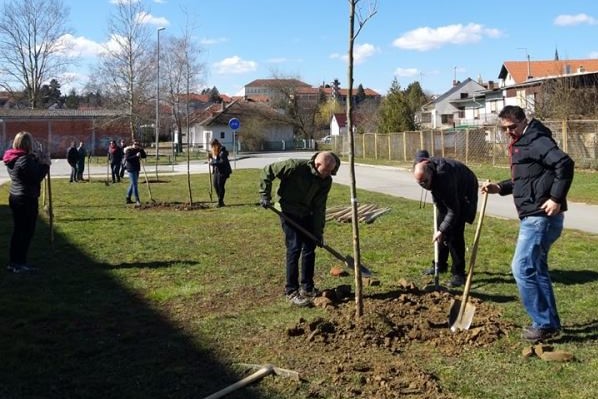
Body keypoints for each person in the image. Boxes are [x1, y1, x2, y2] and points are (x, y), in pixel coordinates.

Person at [481, 105, 574, 343]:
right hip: (535, 214)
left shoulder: (536, 140)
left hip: (539, 216)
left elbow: (564, 164)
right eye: (504, 129)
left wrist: (556, 198)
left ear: (524, 121)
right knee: (536, 268)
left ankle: (542, 324)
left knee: (521, 268)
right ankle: (550, 323)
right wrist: (500, 188)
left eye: (513, 127)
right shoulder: (523, 142)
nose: (509, 132)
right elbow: (527, 178)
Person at [259, 151, 340, 306]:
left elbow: (319, 207)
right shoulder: (294, 166)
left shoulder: (326, 181)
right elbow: (267, 171)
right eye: (327, 170)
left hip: (306, 212)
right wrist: (264, 195)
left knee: (310, 247)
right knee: (294, 247)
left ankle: (307, 288)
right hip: (287, 210)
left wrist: (318, 232)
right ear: (317, 165)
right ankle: (291, 290)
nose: (329, 174)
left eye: (331, 171)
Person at [413, 149, 478, 288]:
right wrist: (441, 230)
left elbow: (453, 210)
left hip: (464, 190)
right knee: (440, 230)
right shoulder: (424, 167)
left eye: (425, 182)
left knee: (454, 232)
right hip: (448, 191)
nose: (423, 186)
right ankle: (440, 264)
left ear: (431, 174)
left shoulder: (444, 177)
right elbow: (421, 154)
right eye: (420, 183)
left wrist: (443, 230)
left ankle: (459, 273)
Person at [2, 131, 50, 273]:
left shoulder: (13, 157)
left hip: (16, 196)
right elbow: (35, 176)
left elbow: (28, 171)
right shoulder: (24, 159)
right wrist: (45, 164)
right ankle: (19, 263)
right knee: (26, 231)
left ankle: (14, 262)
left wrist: (36, 160)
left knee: (19, 231)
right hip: (26, 199)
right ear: (27, 144)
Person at [208, 138, 232, 207]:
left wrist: (213, 163)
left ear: (216, 144)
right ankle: (220, 200)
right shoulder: (214, 150)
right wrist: (210, 157)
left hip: (223, 171)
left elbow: (222, 162)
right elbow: (215, 158)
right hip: (217, 170)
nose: (212, 148)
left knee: (220, 185)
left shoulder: (222, 151)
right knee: (215, 185)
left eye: (213, 146)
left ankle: (220, 202)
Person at [123, 140, 147, 206]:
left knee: (132, 184)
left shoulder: (139, 150)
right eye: (135, 144)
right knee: (135, 185)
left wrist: (141, 150)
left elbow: (144, 156)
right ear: (132, 144)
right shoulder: (129, 150)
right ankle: (137, 200)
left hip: (136, 168)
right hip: (131, 169)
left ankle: (128, 198)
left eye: (138, 144)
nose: (136, 145)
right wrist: (136, 156)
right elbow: (127, 158)